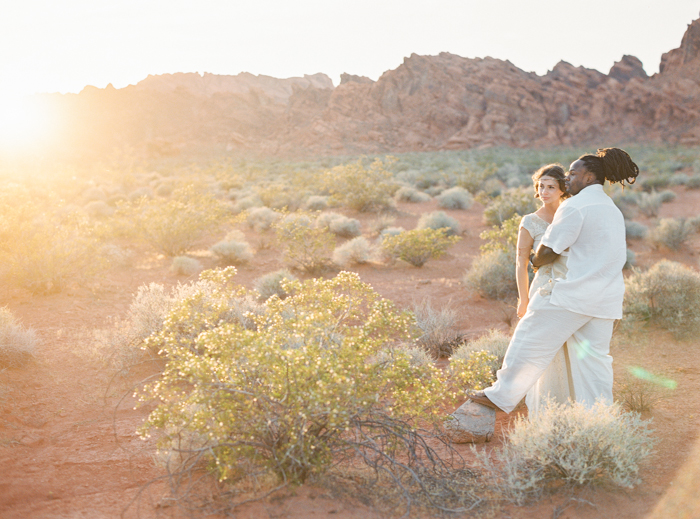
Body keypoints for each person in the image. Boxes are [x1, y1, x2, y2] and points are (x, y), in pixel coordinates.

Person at [469, 147, 639, 413]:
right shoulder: (611, 208)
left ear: (590, 176)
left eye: (573, 172)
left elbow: (547, 252)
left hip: (572, 294)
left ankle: (500, 396)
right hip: (606, 299)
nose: (567, 177)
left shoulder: (575, 205)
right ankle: (599, 415)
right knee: (594, 362)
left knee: (529, 337)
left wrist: (535, 261)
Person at [516, 164, 572, 418]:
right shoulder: (530, 221)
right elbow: (520, 262)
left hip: (573, 286)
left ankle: (573, 403)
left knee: (571, 344)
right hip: (544, 289)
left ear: (562, 189)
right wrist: (523, 299)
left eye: (551, 186)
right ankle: (547, 407)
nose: (545, 191)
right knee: (542, 343)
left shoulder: (572, 215)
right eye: (541, 186)